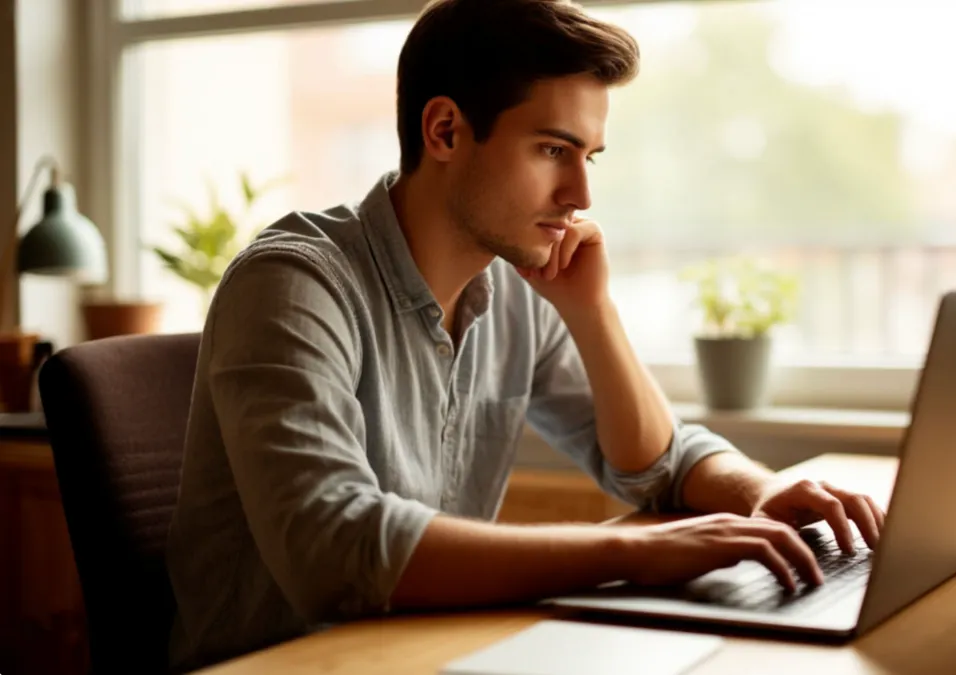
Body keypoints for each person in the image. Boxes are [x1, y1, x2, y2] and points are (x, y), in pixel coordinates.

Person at [165, 0, 886, 670]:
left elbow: (655, 465)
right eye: (552, 150)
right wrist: (629, 552)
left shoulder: (515, 287)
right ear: (445, 131)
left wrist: (759, 487)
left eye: (588, 156)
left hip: (430, 651)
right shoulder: (293, 283)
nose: (581, 195)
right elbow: (334, 548)